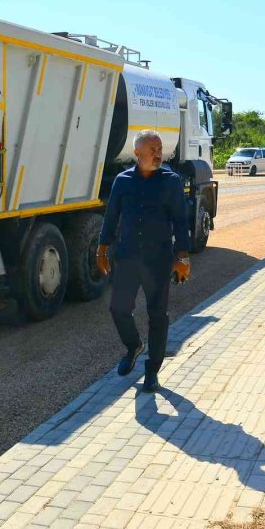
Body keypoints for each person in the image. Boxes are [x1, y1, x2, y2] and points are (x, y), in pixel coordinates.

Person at [97, 130, 191, 393]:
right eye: (152, 149)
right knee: (118, 309)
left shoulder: (171, 181)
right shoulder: (122, 180)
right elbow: (111, 217)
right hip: (127, 257)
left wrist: (183, 257)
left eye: (160, 149)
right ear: (138, 152)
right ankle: (133, 346)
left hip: (158, 260)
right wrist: (101, 251)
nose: (158, 153)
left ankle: (152, 371)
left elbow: (181, 221)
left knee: (158, 315)